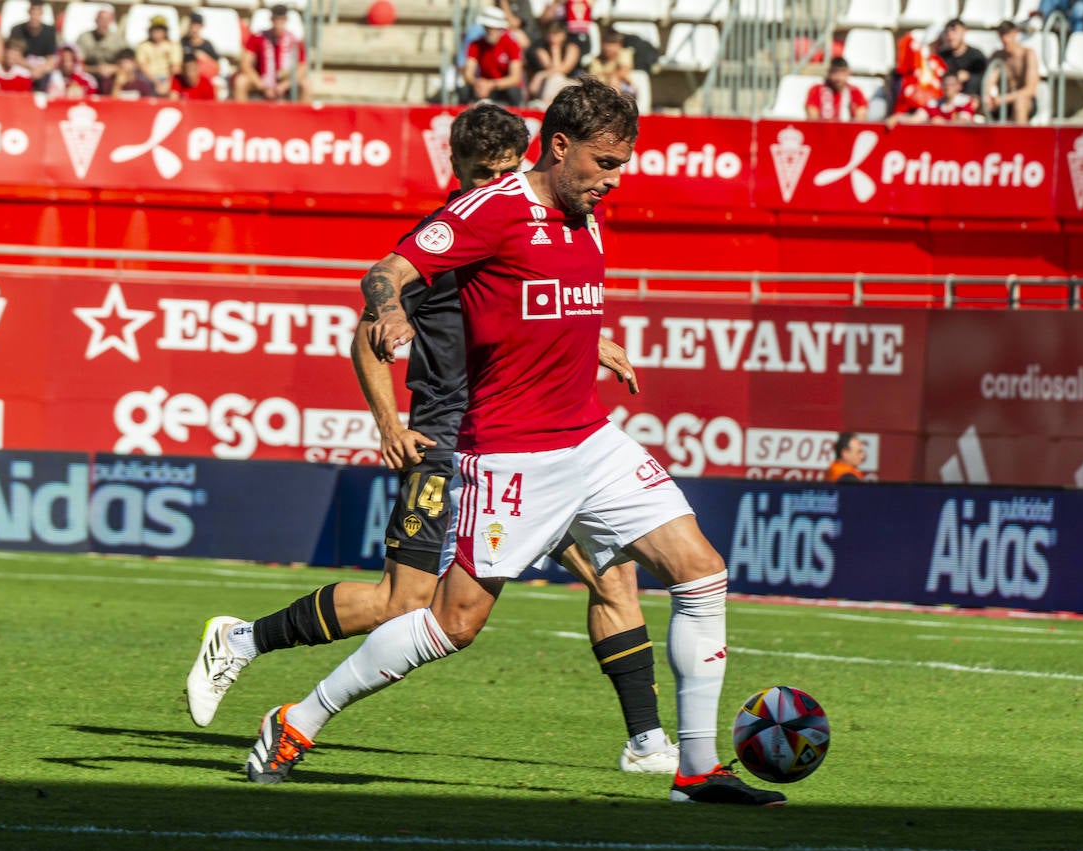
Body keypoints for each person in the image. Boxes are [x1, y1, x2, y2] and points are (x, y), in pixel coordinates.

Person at [244, 80, 784, 806]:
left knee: (700, 570)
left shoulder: (584, 212)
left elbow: (543, 304)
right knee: (452, 622)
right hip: (510, 454)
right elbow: (385, 272)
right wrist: (391, 310)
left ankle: (696, 768)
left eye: (623, 162)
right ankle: (298, 718)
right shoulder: (491, 210)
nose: (615, 178)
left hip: (590, 440)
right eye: (605, 161)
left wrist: (596, 342)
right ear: (559, 148)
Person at [191, 103, 679, 778]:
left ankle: (648, 743)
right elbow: (368, 337)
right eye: (483, 173)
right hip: (454, 440)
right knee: (407, 603)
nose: (494, 184)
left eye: (506, 172)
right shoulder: (447, 238)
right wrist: (390, 423)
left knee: (614, 573)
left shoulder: (533, 219)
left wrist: (590, 337)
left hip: (543, 440)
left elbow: (530, 308)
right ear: (459, 171)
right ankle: (244, 638)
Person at [235, 4, 310, 102]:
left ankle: (303, 116)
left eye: (281, 20)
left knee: (306, 84)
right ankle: (241, 114)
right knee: (241, 81)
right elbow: (245, 64)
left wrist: (284, 85)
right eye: (276, 20)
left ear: (286, 20)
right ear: (271, 20)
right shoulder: (258, 37)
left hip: (284, 79)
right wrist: (260, 84)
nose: (278, 23)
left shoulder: (294, 40)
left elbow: (302, 67)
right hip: (261, 78)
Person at [460, 5, 524, 106]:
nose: (491, 31)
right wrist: (477, 83)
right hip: (483, 86)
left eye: (494, 28)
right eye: (488, 28)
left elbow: (515, 78)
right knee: (464, 91)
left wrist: (492, 84)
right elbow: (468, 73)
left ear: (500, 29)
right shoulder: (475, 45)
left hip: (502, 88)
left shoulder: (512, 44)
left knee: (514, 91)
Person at [984, 19, 1039, 124]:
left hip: (1024, 101)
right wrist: (988, 98)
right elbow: (989, 82)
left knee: (1020, 103)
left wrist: (1004, 99)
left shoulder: (1027, 55)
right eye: (1002, 35)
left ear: (1016, 33)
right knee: (975, 103)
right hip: (1003, 100)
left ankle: (1019, 139)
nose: (1005, 39)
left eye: (1008, 35)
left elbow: (1031, 89)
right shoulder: (997, 56)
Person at [526, 19, 580, 108]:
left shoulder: (572, 47)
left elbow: (565, 70)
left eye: (556, 34)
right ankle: (546, 104)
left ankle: (545, 105)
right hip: (548, 83)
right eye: (550, 33)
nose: (553, 37)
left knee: (555, 78)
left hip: (569, 82)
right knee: (554, 78)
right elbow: (551, 67)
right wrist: (554, 50)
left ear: (564, 35)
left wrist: (541, 74)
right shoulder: (541, 49)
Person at [805, 56, 868, 121]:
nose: (838, 78)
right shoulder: (817, 90)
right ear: (829, 72)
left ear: (848, 73)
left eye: (842, 72)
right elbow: (812, 119)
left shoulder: (855, 92)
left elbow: (860, 119)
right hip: (822, 130)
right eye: (834, 72)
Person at [937, 18, 987, 99]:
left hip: (969, 99)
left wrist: (969, 77)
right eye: (947, 32)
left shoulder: (976, 56)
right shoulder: (942, 56)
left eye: (954, 30)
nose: (950, 35)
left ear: (964, 31)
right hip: (945, 101)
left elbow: (985, 79)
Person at [75, 4, 126, 83]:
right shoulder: (84, 38)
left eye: (107, 19)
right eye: (101, 19)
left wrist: (113, 68)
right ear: (96, 20)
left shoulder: (118, 40)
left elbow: (128, 63)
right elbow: (76, 64)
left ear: (112, 21)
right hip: (88, 77)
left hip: (112, 79)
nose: (104, 23)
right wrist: (96, 69)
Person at [7, 0, 55, 80]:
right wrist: (31, 67)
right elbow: (13, 56)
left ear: (42, 13)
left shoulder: (50, 31)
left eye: (38, 12)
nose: (35, 16)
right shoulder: (17, 30)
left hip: (41, 71)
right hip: (21, 68)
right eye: (33, 11)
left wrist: (40, 69)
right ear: (28, 12)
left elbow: (51, 58)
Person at [135, 15, 181, 97]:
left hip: (168, 79)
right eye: (155, 29)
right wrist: (156, 83)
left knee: (176, 85)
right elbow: (142, 68)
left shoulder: (173, 45)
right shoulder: (143, 46)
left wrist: (168, 83)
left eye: (160, 29)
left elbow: (175, 68)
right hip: (149, 79)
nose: (157, 32)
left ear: (165, 31)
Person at [584, 28, 635, 98]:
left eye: (612, 44)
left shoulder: (624, 53)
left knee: (614, 79)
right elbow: (593, 79)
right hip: (602, 90)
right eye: (607, 44)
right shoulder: (595, 60)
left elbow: (623, 71)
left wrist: (607, 75)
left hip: (625, 89)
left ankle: (615, 104)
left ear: (620, 45)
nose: (609, 48)